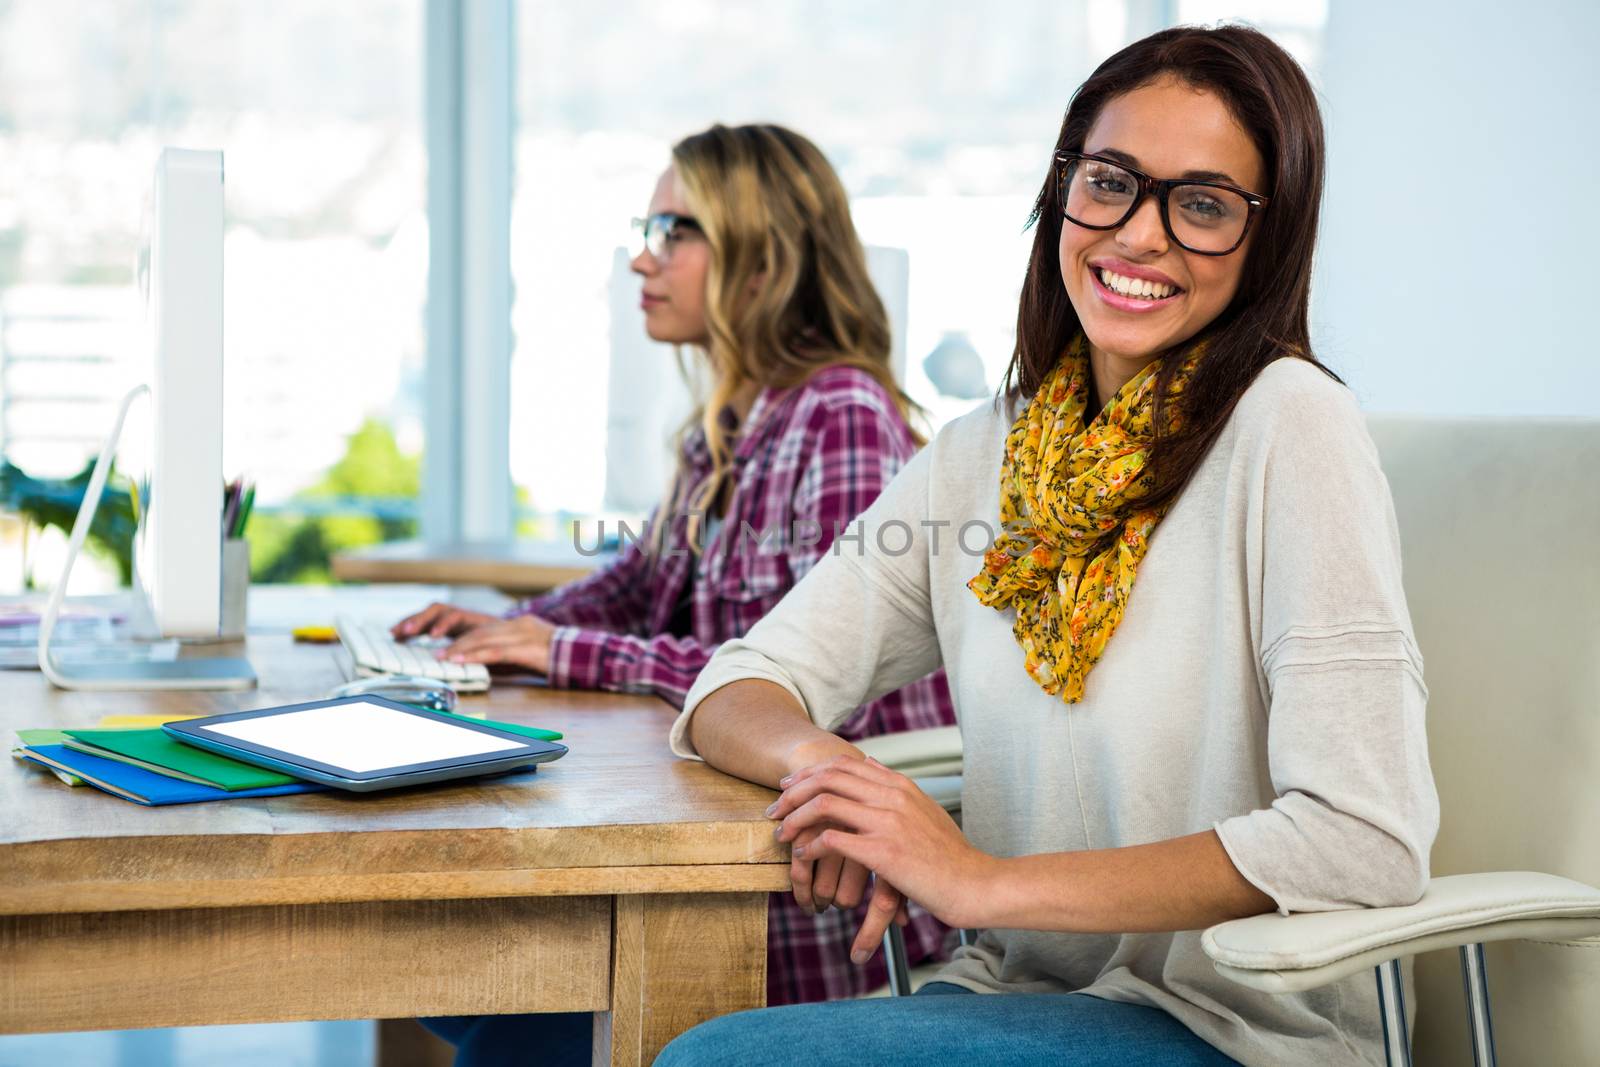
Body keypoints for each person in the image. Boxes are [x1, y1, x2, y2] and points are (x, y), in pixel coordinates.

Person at [656, 25, 1439, 1067]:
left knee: (715, 1059)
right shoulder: (985, 448)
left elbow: (1362, 835)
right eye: (1111, 181)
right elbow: (738, 685)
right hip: (1016, 995)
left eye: (1202, 204)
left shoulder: (1288, 425)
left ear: (1267, 239)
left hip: (1235, 1028)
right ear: (1061, 191)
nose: (1140, 234)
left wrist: (973, 879)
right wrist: (846, 784)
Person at [395, 123, 955, 1062]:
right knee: (464, 976)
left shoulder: (843, 417)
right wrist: (517, 627)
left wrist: (555, 649)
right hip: (722, 832)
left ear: (760, 259)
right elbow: (641, 579)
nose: (642, 260)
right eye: (644, 228)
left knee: (504, 1014)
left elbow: (789, 683)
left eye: (674, 230)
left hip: (803, 880)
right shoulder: (727, 426)